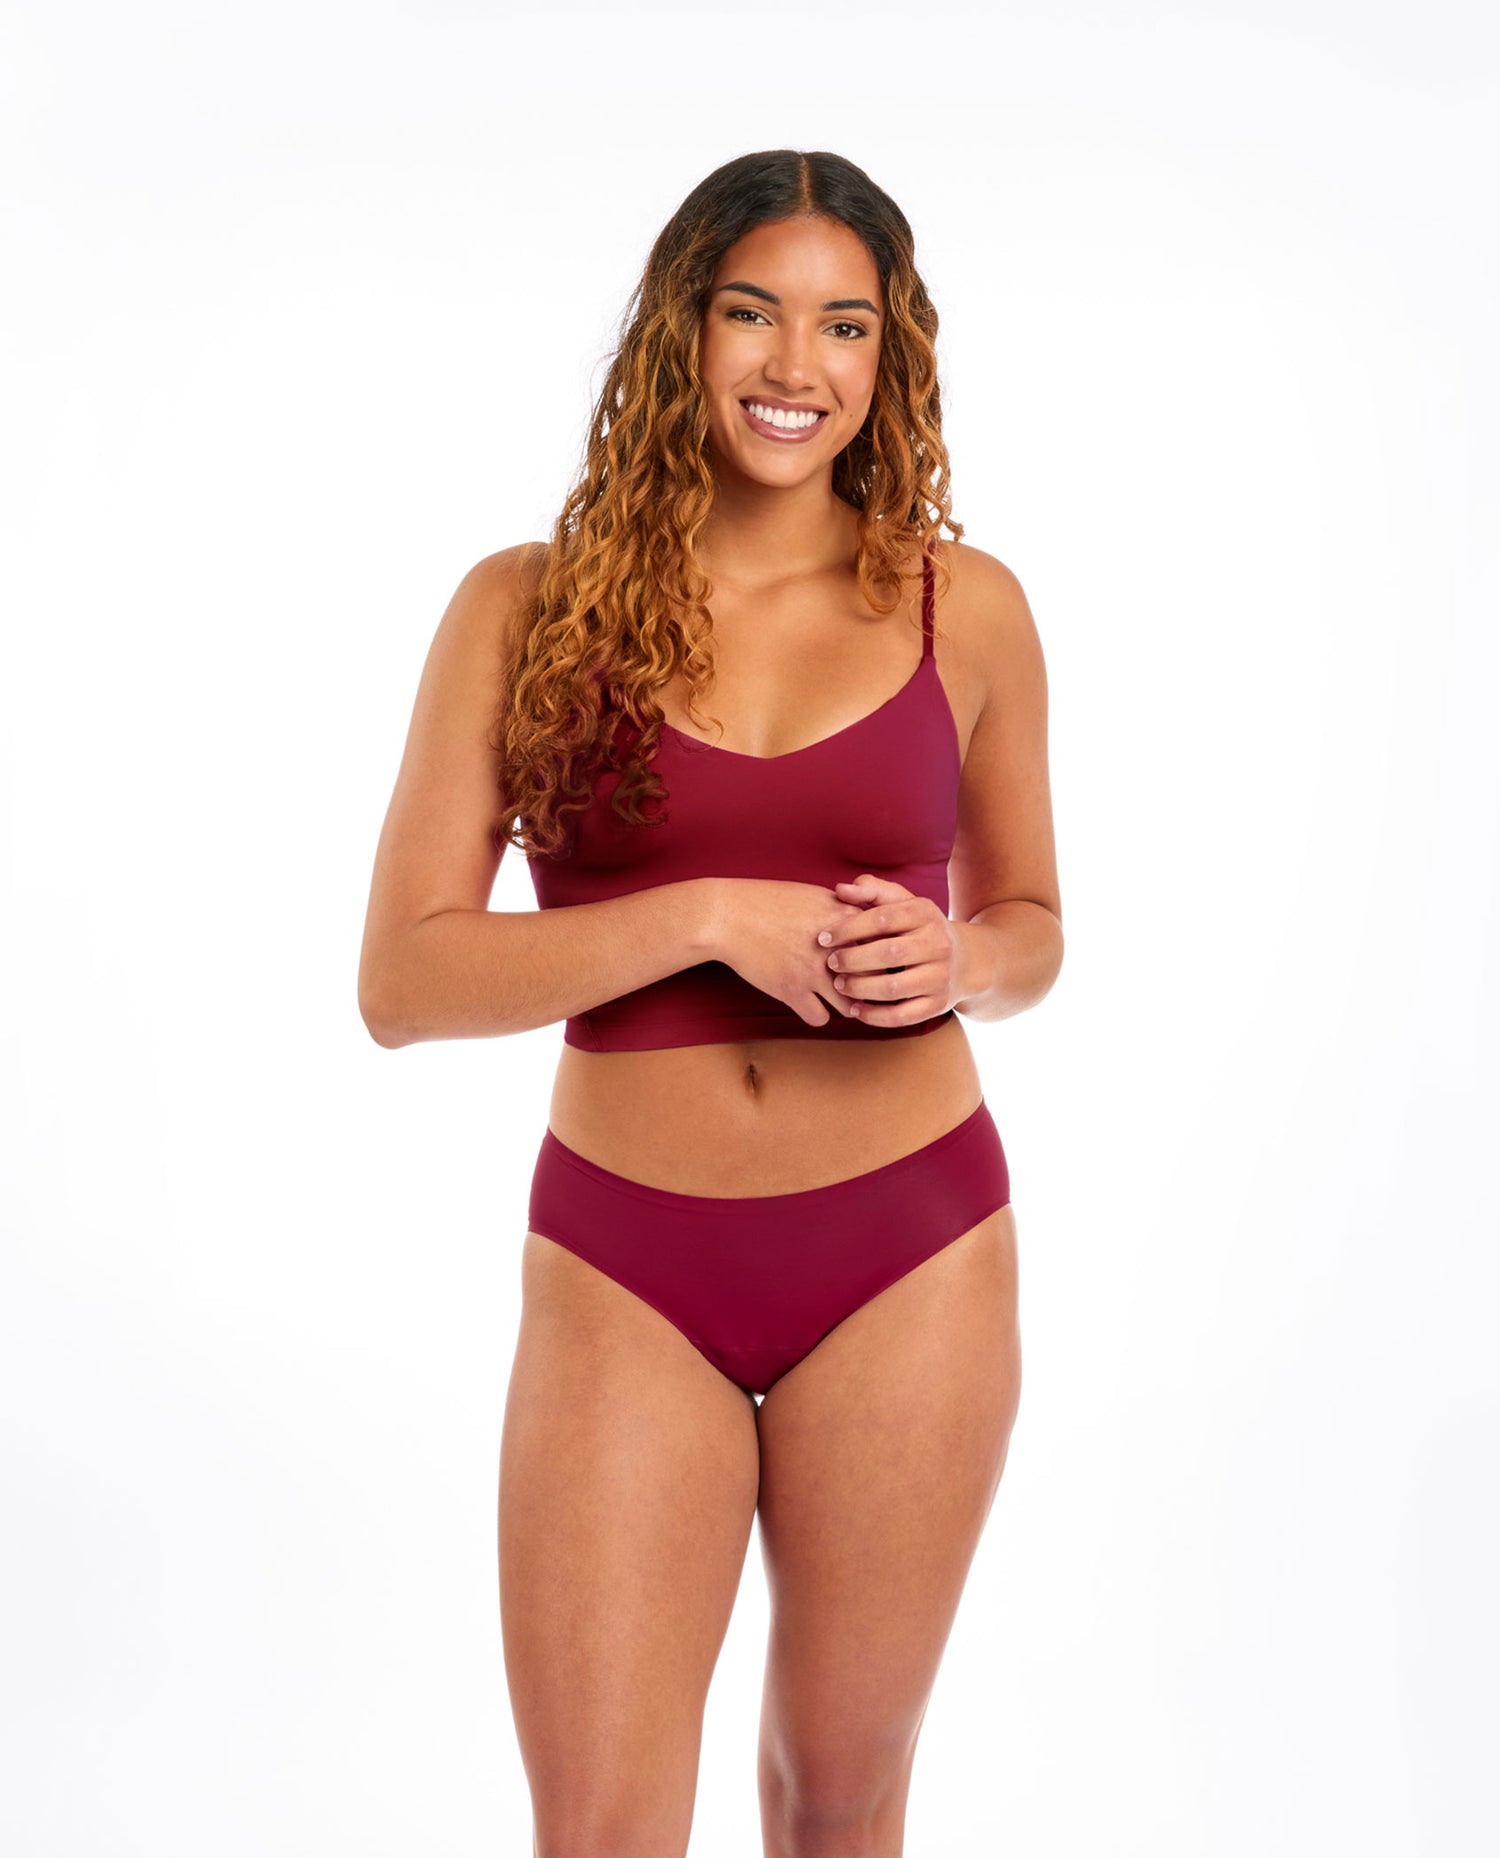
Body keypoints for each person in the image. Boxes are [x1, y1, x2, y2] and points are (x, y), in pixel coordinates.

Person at [358, 147, 1062, 1858]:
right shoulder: (522, 607)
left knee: (837, 1794)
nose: (794, 365)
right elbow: (404, 978)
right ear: (683, 326)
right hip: (626, 1266)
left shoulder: (963, 607)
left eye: (845, 325)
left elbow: (1033, 924)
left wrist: (963, 961)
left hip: (910, 1252)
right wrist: (700, 918)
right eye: (753, 312)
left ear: (890, 357)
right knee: (601, 1826)